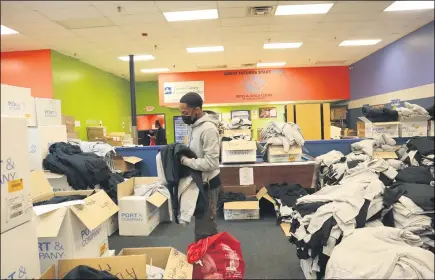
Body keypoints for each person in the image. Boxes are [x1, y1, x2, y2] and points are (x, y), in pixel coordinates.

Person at [179, 92, 221, 242]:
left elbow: (211, 163)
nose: (182, 115)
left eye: (185, 112)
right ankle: (206, 260)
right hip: (199, 183)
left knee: (205, 230)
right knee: (202, 226)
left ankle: (210, 261)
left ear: (197, 110)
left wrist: (186, 161)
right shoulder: (193, 127)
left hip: (208, 185)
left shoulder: (208, 129)